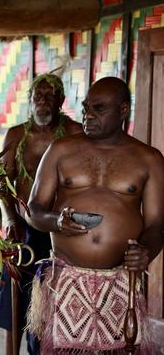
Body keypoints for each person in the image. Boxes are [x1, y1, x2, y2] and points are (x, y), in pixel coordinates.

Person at [26, 76, 163, 354]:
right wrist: (57, 222)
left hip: (121, 281)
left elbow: (157, 223)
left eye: (99, 109)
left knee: (119, 349)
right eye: (86, 107)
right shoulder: (61, 150)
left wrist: (146, 251)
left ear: (123, 110)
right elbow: (34, 210)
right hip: (66, 281)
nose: (88, 115)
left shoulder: (148, 158)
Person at [0, 73, 81, 354]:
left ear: (61, 101)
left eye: (49, 96)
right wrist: (10, 219)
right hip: (23, 228)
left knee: (55, 299)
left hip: (61, 228)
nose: (42, 101)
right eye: (37, 96)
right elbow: (2, 183)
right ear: (30, 101)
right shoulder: (17, 135)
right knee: (15, 297)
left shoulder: (75, 133)